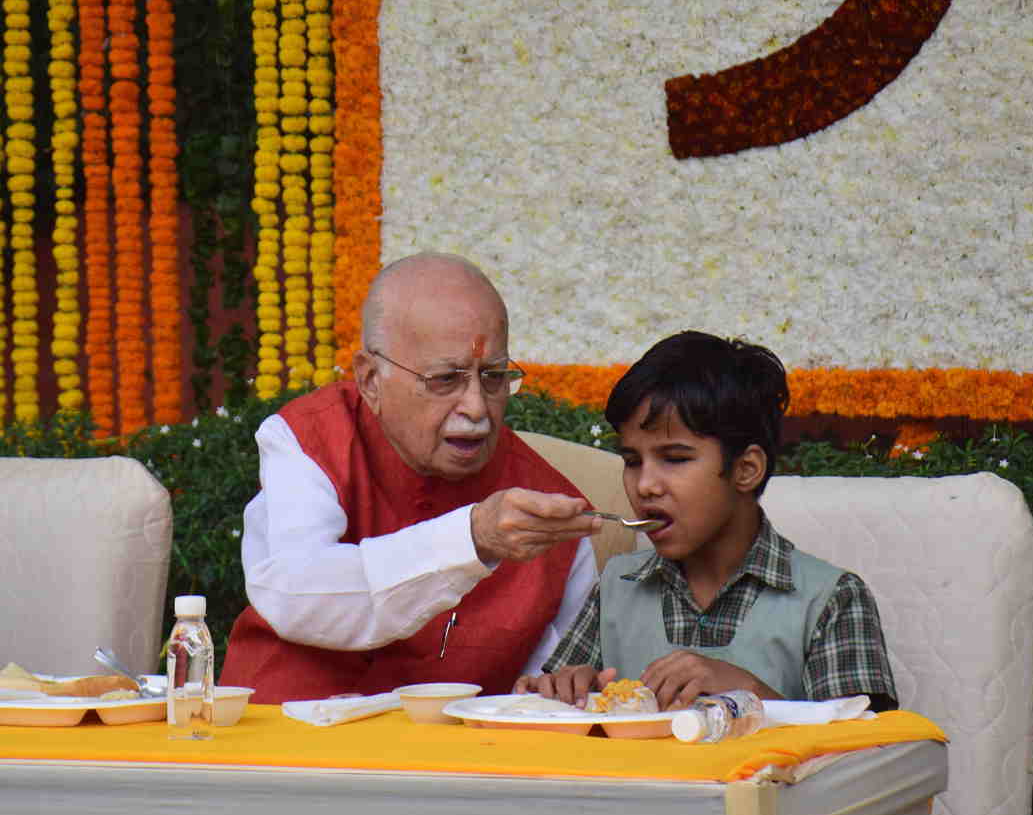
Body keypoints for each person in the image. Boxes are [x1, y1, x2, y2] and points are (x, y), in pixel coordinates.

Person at [220, 253, 603, 703]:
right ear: (370, 380)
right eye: (445, 379)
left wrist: (559, 689)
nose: (477, 408)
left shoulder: (550, 515)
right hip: (283, 747)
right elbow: (295, 593)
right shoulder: (308, 441)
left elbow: (544, 695)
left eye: (494, 377)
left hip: (447, 766)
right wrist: (473, 539)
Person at [514, 331, 898, 713]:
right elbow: (559, 720)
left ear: (746, 469)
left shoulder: (830, 599)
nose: (645, 485)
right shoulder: (618, 586)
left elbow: (868, 757)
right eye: (632, 461)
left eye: (675, 458)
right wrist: (559, 693)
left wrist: (749, 692)